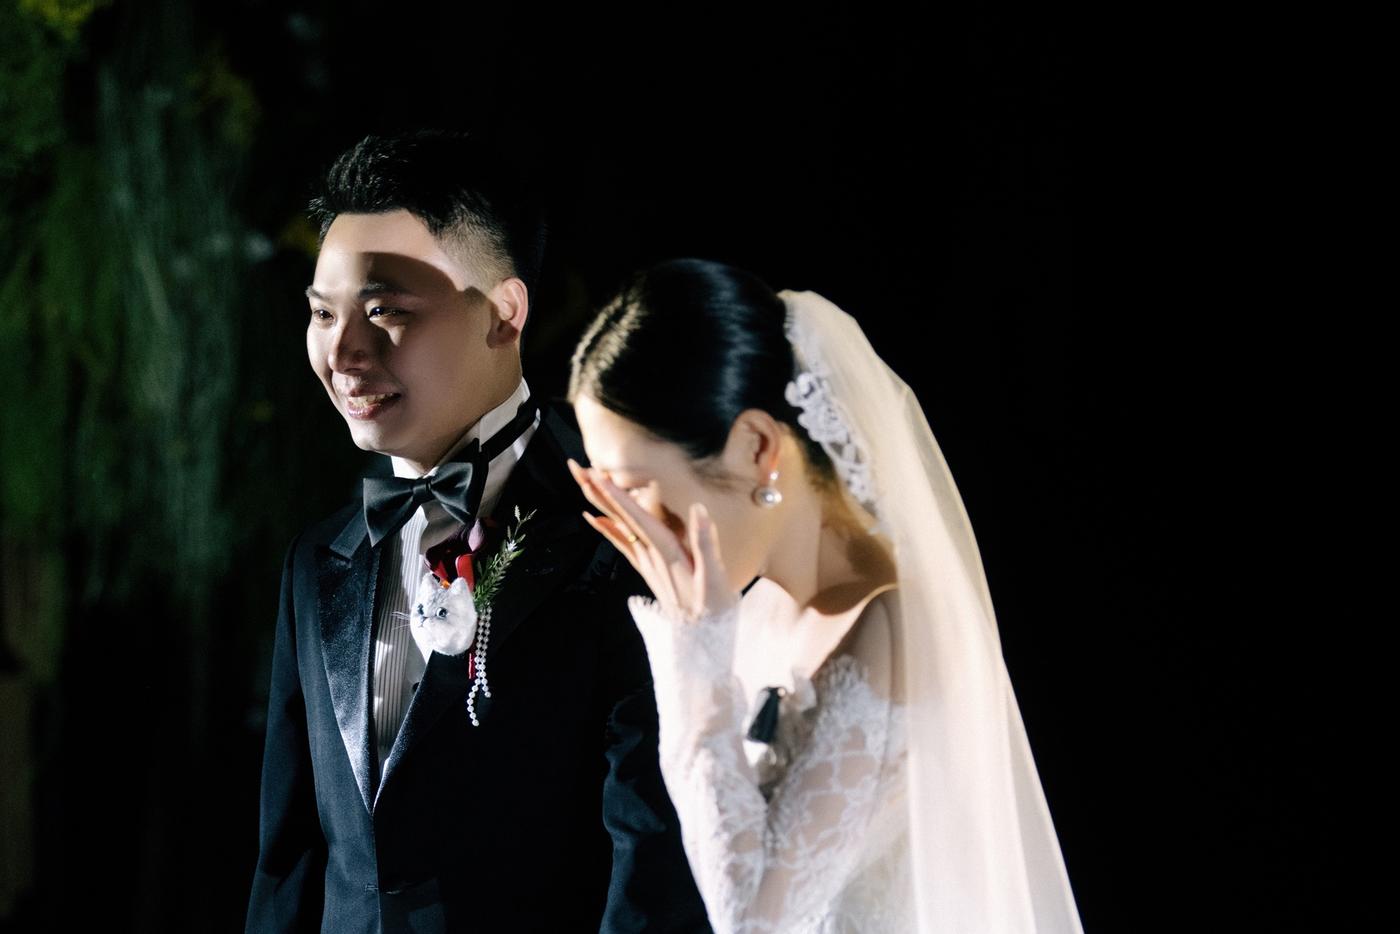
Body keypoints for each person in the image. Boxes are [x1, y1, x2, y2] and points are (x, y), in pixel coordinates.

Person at [244, 132, 709, 934]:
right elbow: (289, 864)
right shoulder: (317, 560)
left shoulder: (625, 534)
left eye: (385, 311)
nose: (343, 353)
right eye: (322, 313)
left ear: (503, 313)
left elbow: (651, 858)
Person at [565, 258, 1084, 933]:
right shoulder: (753, 611)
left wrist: (695, 658)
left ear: (756, 447)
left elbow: (754, 922)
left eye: (635, 490)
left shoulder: (889, 624)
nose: (636, 530)